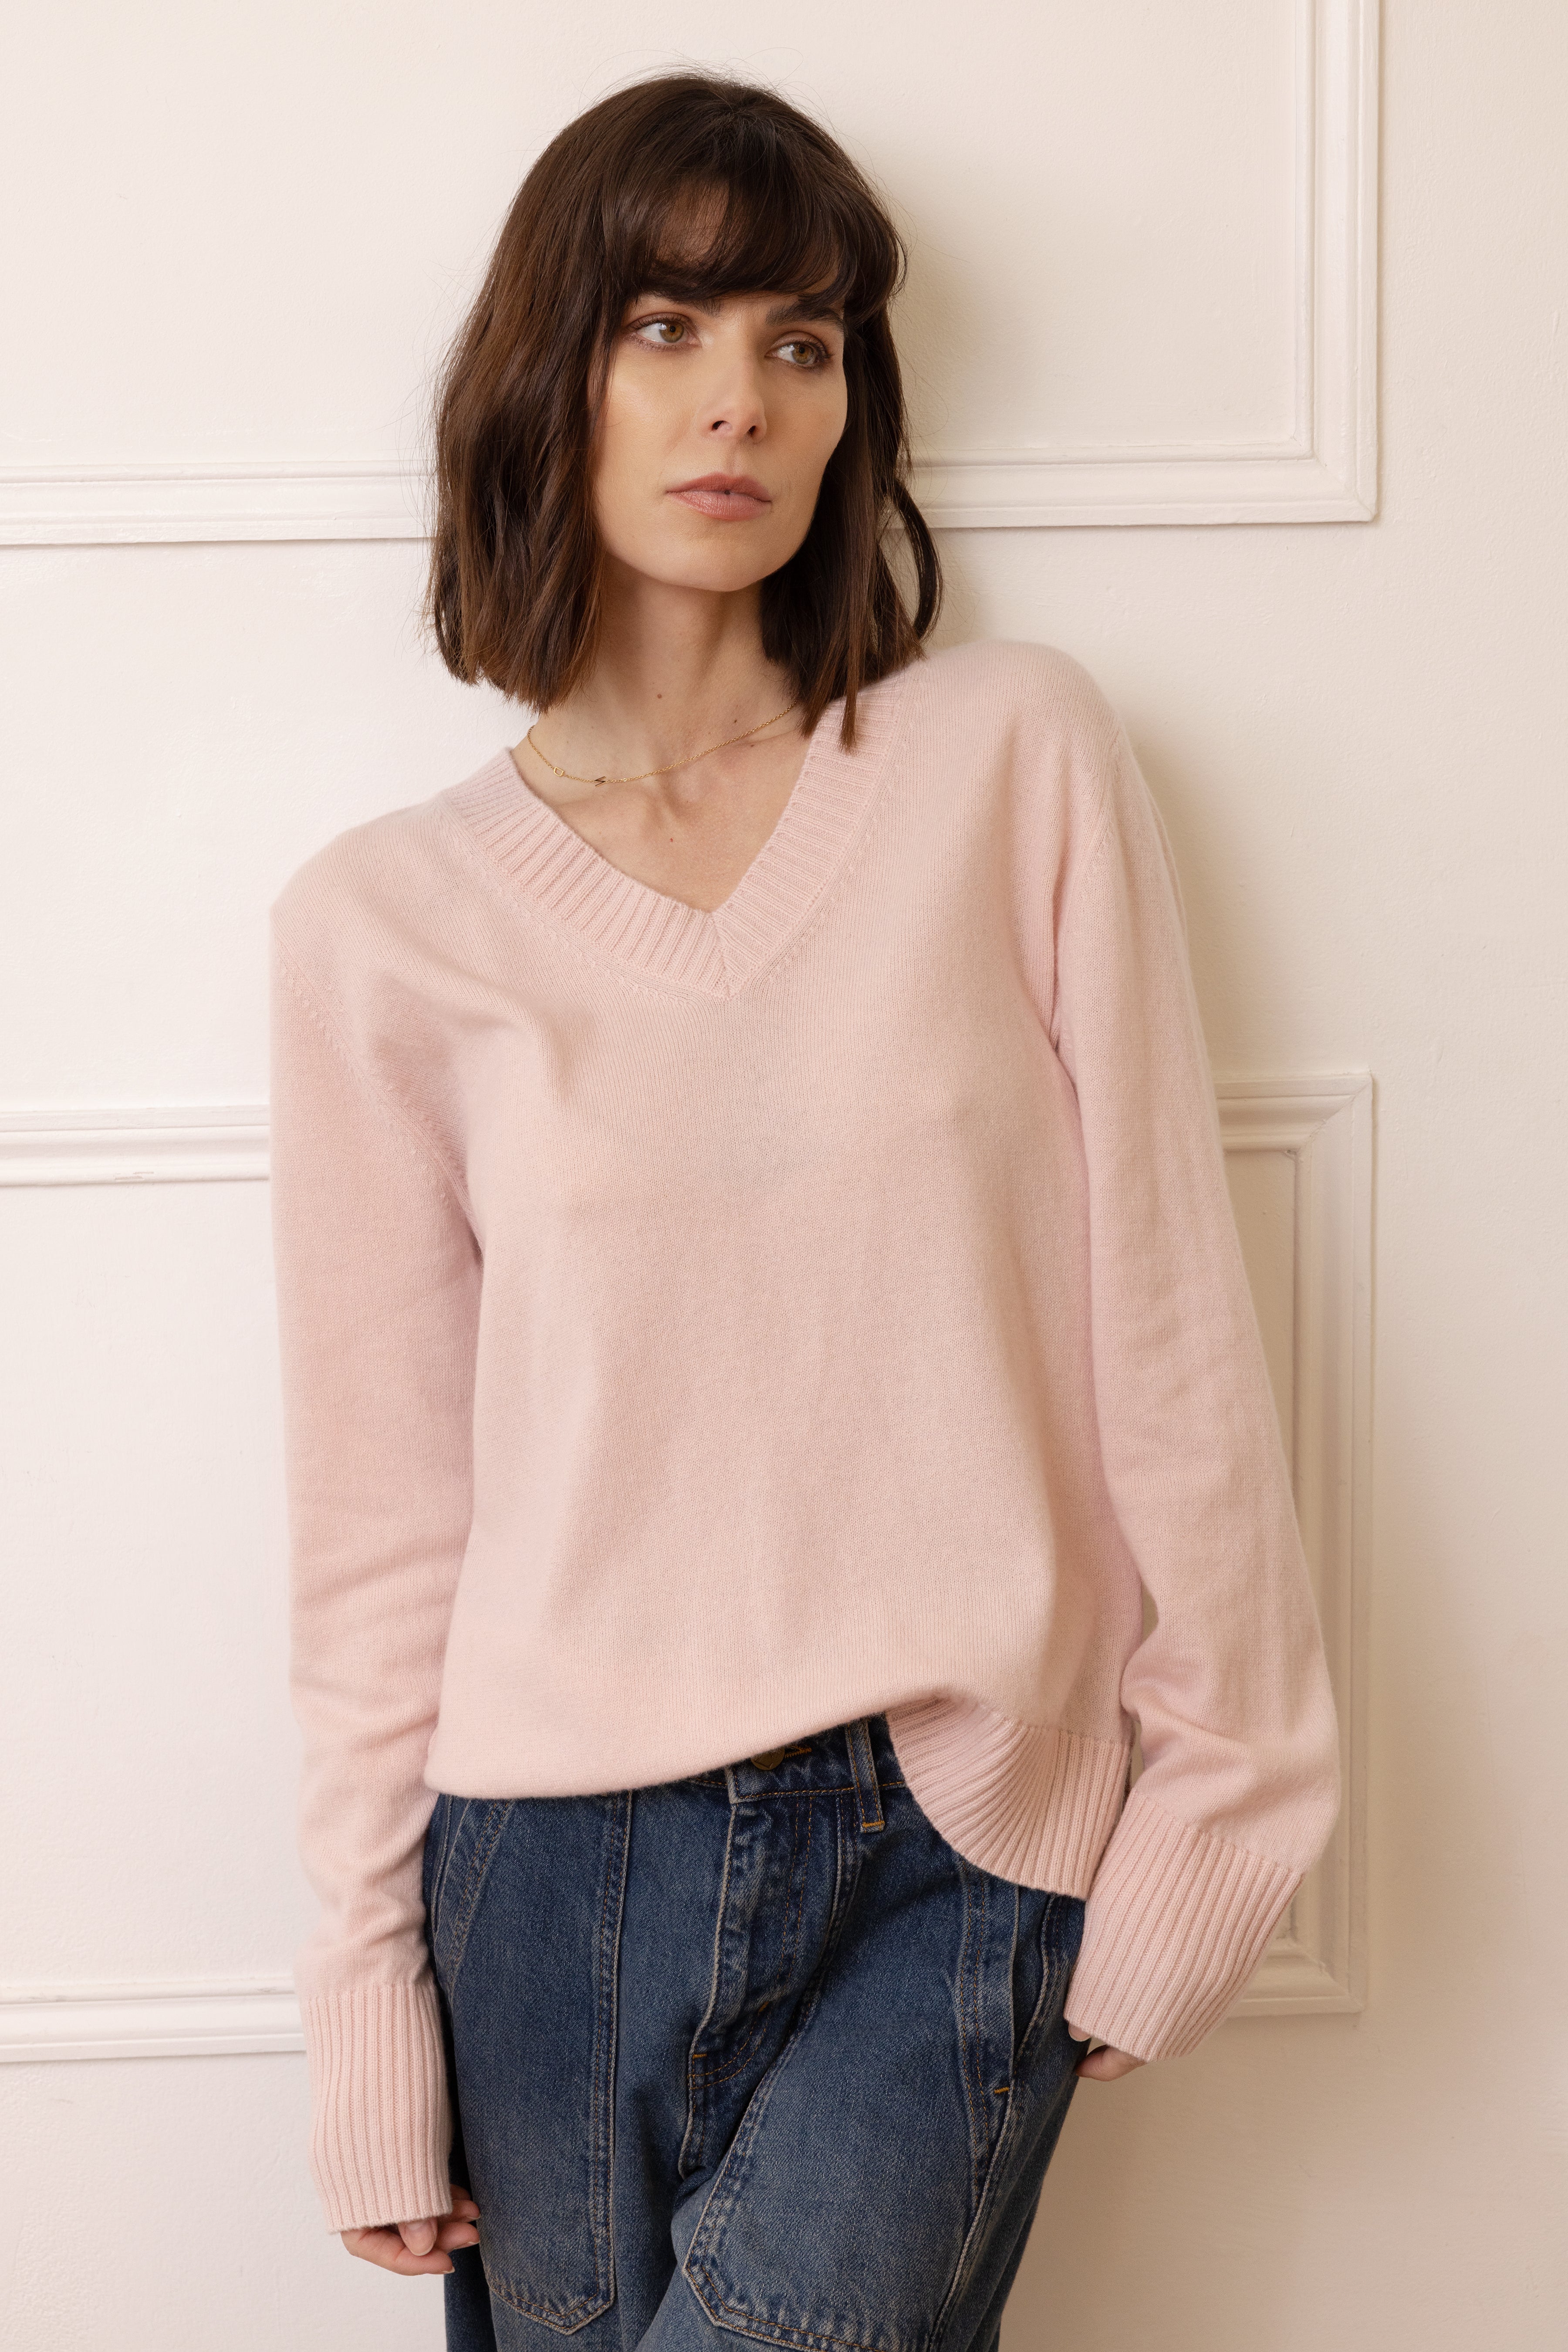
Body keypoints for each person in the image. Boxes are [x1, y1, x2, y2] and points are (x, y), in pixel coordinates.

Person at [267, 70, 1341, 2350]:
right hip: (551, 1875)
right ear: (550, 378)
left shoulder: (1010, 761)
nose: (739, 397)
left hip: (961, 1836)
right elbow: (380, 1520)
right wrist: (365, 2009)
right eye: (664, 326)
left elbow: (1167, 1317)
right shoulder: (383, 925)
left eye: (803, 335)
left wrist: (1221, 1816)